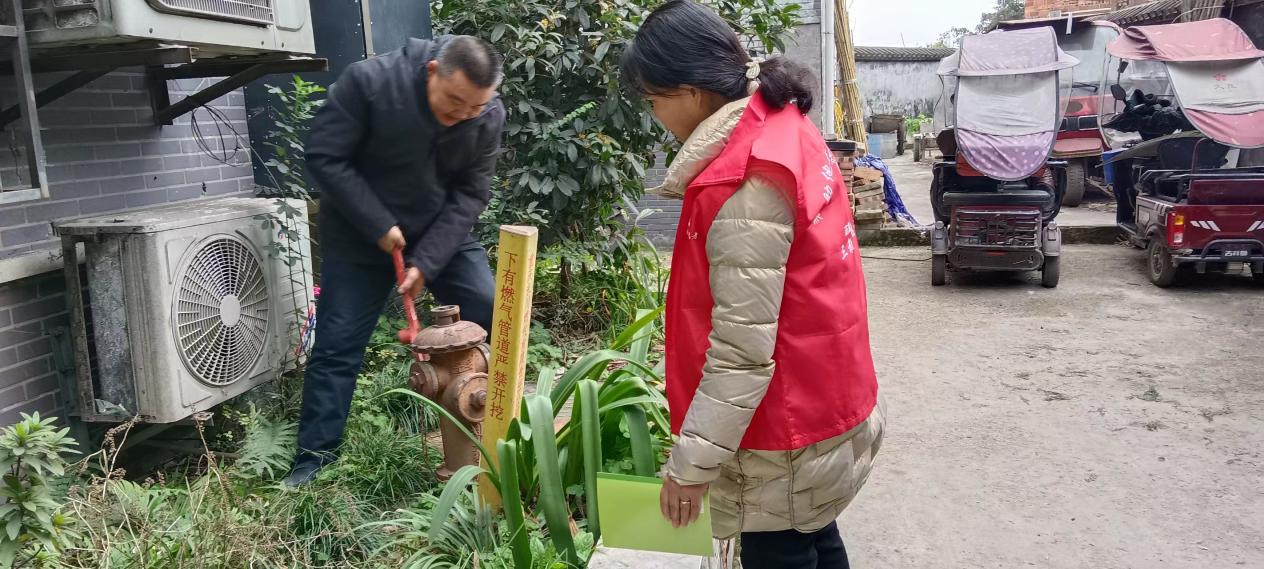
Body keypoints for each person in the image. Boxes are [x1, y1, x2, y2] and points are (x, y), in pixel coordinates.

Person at [620, 2, 885, 567]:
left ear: (690, 92)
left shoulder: (744, 183)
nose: (655, 115)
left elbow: (742, 352)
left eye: (654, 101)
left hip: (781, 429)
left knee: (780, 549)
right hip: (826, 397)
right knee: (813, 534)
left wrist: (689, 469)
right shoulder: (785, 127)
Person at [285, 35, 506, 487]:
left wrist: (424, 262)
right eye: (454, 103)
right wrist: (379, 225)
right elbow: (325, 156)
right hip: (358, 231)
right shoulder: (369, 84)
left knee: (489, 309)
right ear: (431, 72)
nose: (463, 116)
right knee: (338, 345)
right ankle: (312, 464)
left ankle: (495, 429)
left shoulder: (486, 113)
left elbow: (470, 194)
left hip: (440, 233)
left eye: (474, 108)